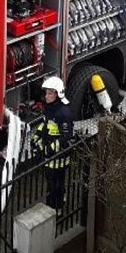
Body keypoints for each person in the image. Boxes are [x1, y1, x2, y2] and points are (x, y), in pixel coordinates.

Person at [30, 76, 74, 211]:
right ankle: (54, 203)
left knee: (56, 184)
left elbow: (67, 135)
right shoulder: (50, 108)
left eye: (50, 93)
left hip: (59, 157)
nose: (47, 96)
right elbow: (45, 124)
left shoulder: (63, 113)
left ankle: (57, 208)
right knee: (50, 183)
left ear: (58, 94)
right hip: (49, 155)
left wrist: (52, 147)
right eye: (46, 93)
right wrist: (35, 137)